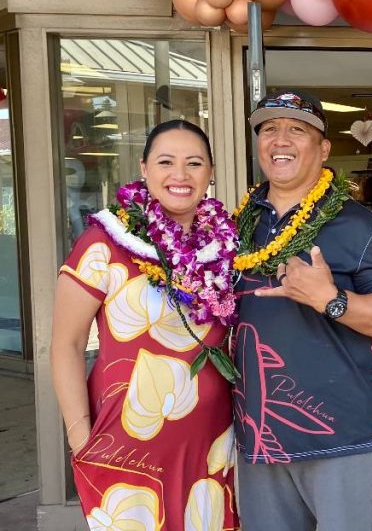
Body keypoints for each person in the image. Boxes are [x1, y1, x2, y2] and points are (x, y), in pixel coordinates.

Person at [232, 89, 372, 531]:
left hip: (339, 437)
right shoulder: (237, 226)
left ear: (324, 148)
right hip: (259, 438)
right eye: (269, 129)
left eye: (297, 130)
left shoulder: (358, 225)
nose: (280, 140)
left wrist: (330, 299)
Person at [51, 120, 240, 529]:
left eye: (194, 163)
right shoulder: (106, 243)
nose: (180, 175)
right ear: (144, 168)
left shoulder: (226, 247)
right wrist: (80, 439)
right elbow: (66, 344)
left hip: (208, 444)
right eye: (166, 162)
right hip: (126, 445)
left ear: (210, 172)